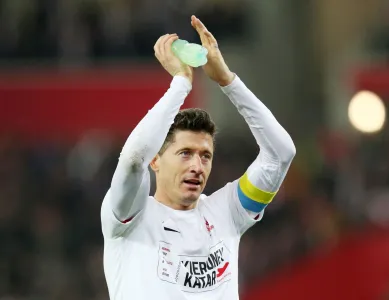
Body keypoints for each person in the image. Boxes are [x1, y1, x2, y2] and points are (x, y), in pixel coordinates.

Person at [101, 15, 296, 300]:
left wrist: (228, 81)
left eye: (205, 156)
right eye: (185, 154)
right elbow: (133, 159)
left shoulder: (227, 213)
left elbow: (281, 154)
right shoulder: (129, 216)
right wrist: (180, 85)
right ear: (156, 160)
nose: (197, 166)